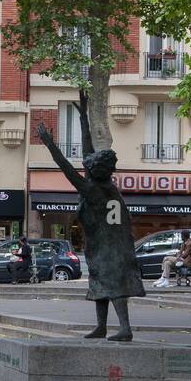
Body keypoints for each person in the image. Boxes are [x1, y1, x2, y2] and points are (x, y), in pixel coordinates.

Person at [36, 118, 144, 341]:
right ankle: (101, 327)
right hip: (106, 245)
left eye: (90, 165)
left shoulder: (94, 191)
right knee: (100, 286)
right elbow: (88, 152)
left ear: (94, 171)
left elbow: (68, 170)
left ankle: (125, 328)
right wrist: (84, 117)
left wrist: (49, 144)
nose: (87, 165)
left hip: (110, 248)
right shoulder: (104, 185)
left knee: (112, 285)